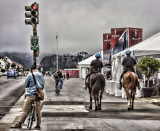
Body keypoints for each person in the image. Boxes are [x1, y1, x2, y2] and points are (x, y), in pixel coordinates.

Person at [11, 65, 44, 129]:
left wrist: (31, 86)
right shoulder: (40, 75)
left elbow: (26, 85)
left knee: (26, 110)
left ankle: (20, 123)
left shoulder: (30, 75)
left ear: (31, 69)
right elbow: (42, 86)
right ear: (36, 69)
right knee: (38, 110)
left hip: (31, 94)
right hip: (38, 95)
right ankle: (38, 124)